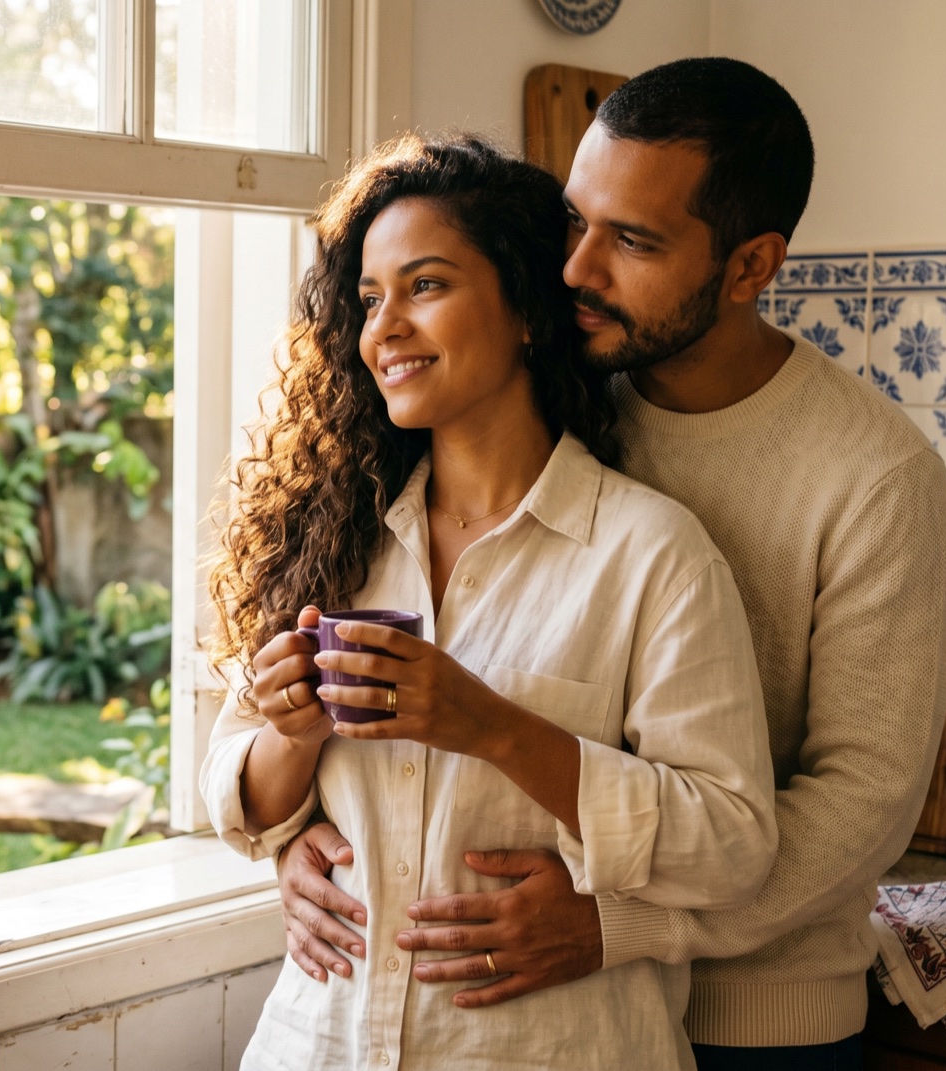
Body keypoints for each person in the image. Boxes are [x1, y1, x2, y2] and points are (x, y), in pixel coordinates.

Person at [273, 58, 946, 1071]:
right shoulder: (557, 411)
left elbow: (864, 799)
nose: (578, 270)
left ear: (749, 266)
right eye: (575, 224)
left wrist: (620, 927)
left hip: (757, 1014)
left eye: (631, 241)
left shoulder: (874, 473)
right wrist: (303, 835)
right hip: (518, 985)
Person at [199, 133, 779, 1071]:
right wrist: (292, 733)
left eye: (425, 286)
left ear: (525, 311)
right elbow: (243, 801)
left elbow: (731, 845)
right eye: (369, 299)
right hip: (322, 1042)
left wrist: (494, 727)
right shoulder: (338, 540)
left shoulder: (649, 556)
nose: (383, 328)